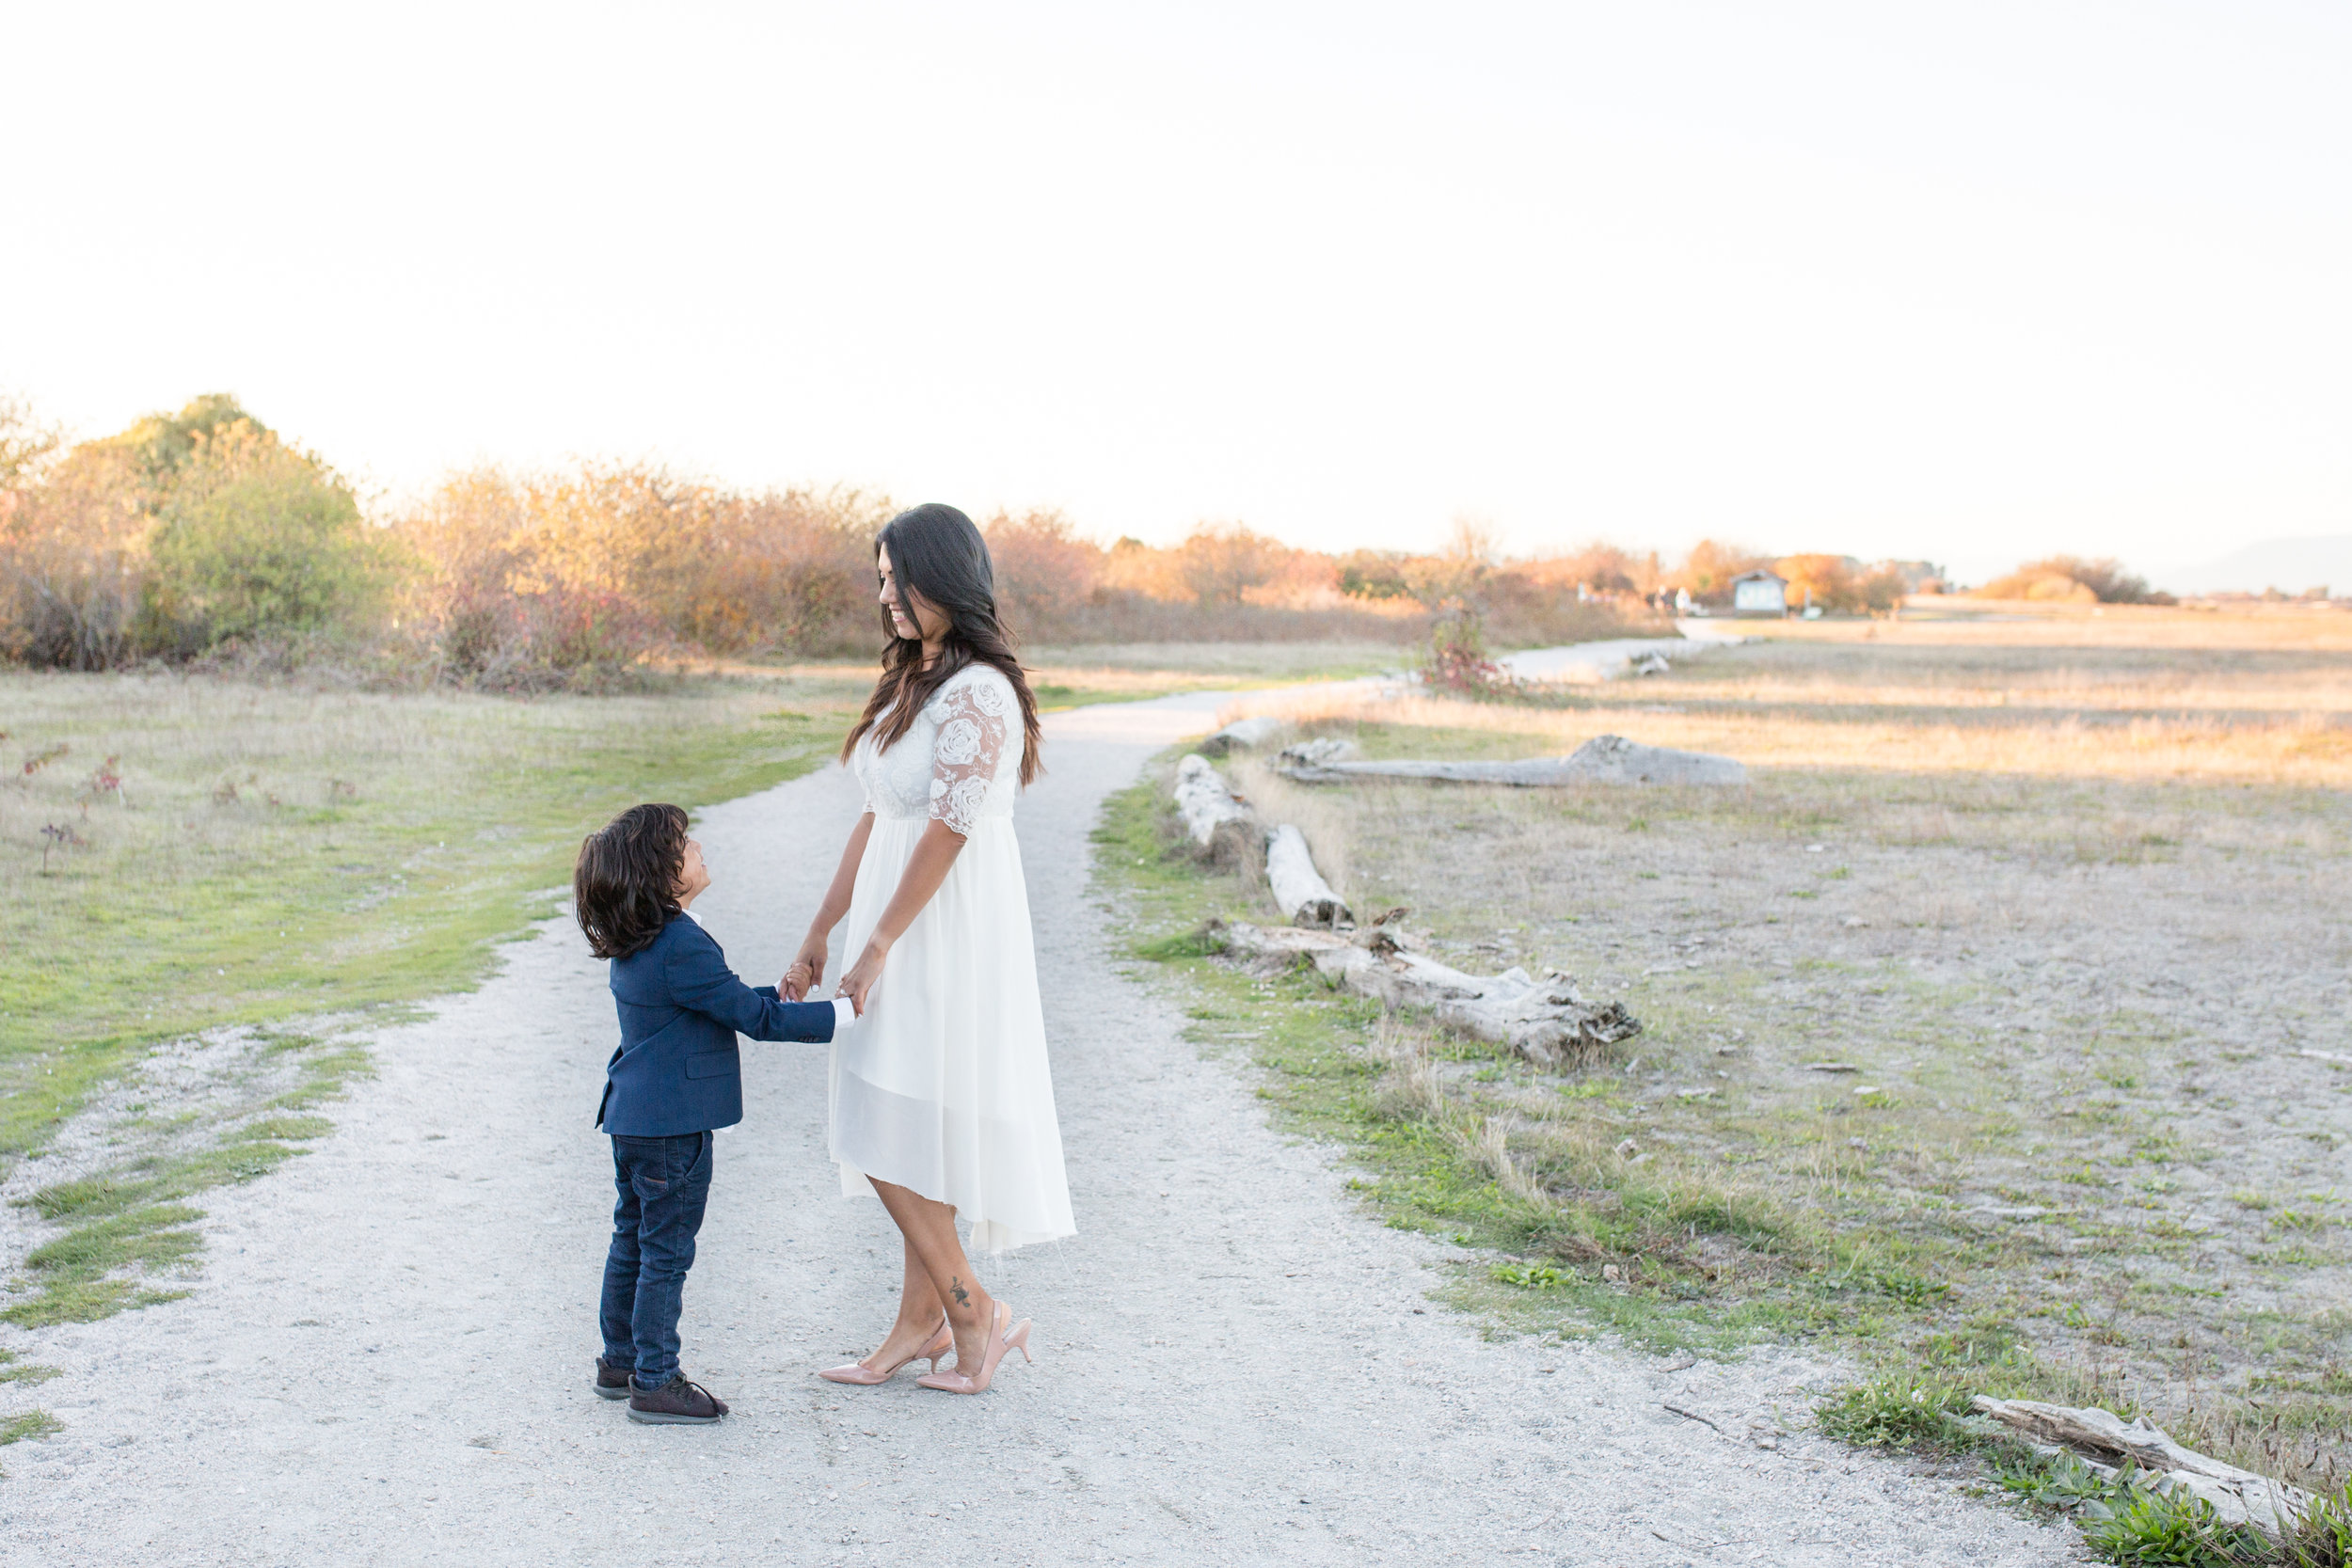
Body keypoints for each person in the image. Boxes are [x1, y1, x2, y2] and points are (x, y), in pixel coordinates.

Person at [783, 502, 1073, 1395]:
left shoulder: (980, 691)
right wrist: (820, 930)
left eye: (896, 577)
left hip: (942, 930)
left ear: (943, 575)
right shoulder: (914, 680)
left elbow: (947, 831)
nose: (886, 596)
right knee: (899, 1123)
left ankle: (970, 1306)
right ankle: (923, 1322)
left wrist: (876, 944)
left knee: (887, 1125)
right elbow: (877, 818)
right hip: (888, 922)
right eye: (879, 578)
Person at [575, 803, 852, 1424]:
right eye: (684, 843)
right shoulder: (682, 943)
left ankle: (619, 1360)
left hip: (633, 1117)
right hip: (674, 1129)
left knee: (633, 1240)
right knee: (666, 1250)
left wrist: (773, 993)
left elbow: (715, 1004)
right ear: (662, 874)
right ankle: (655, 1377)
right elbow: (755, 1023)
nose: (698, 846)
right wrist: (846, 1015)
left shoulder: (642, 940)